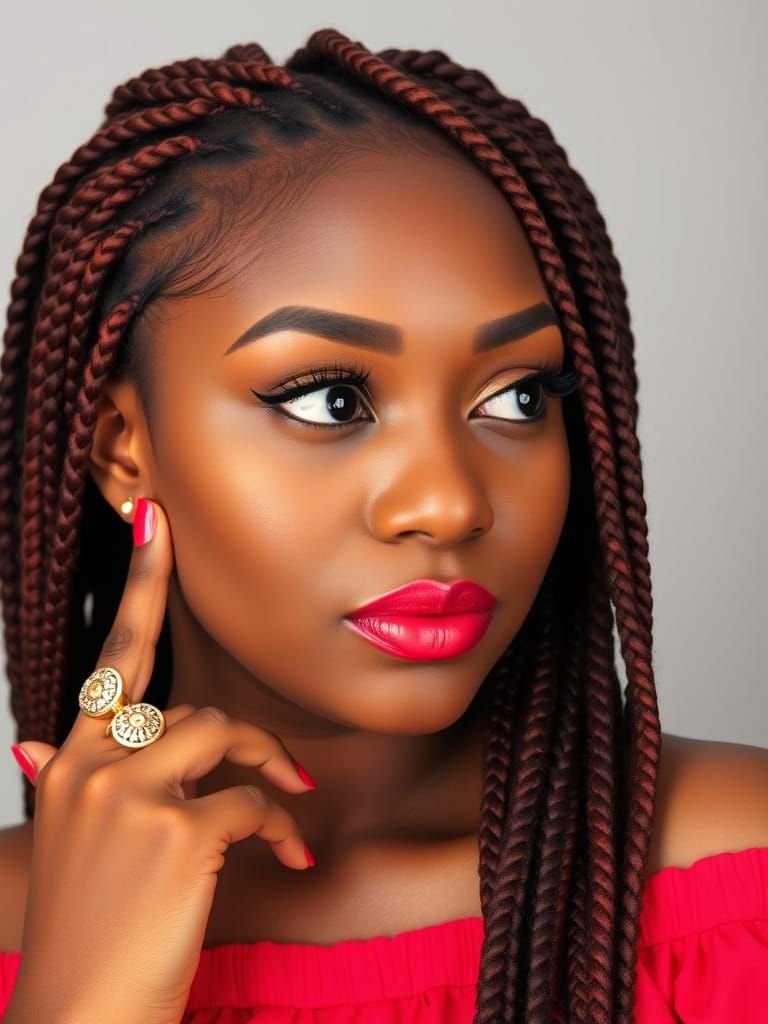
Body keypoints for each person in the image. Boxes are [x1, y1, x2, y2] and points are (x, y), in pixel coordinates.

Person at [0, 26, 766, 1024]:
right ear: (120, 447)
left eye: (519, 398)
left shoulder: (739, 887)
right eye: (329, 402)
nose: (450, 502)